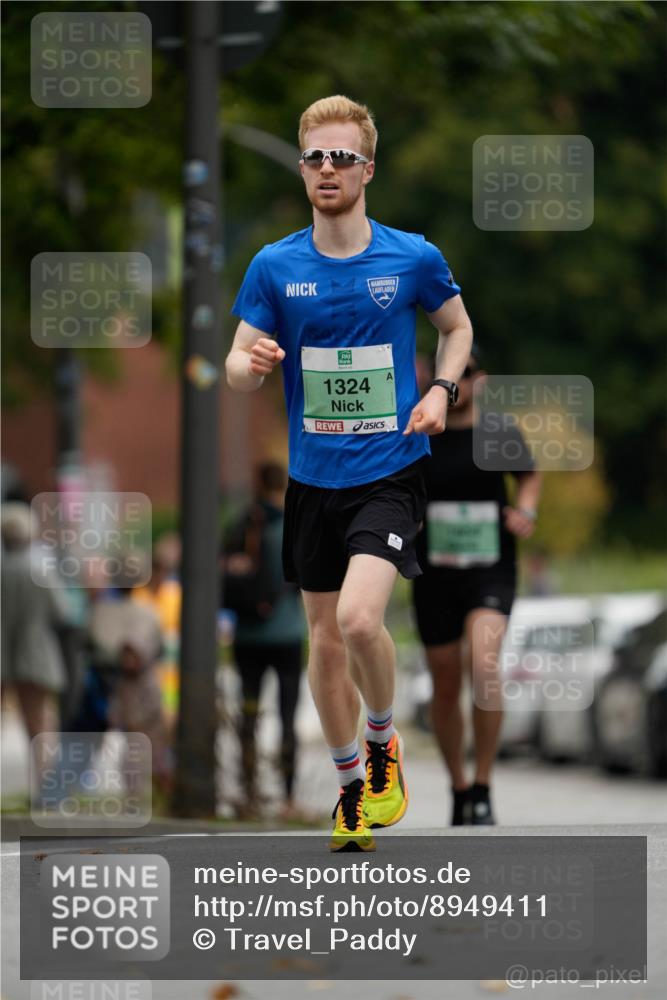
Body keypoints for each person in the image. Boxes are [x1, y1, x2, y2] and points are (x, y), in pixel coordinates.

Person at [225, 95, 473, 851]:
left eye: (342, 157)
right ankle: (350, 793)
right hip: (312, 480)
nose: (326, 168)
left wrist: (441, 391)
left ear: (368, 169)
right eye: (314, 156)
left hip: (388, 471)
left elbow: (456, 327)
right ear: (302, 168)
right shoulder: (274, 265)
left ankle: (381, 741)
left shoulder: (411, 257)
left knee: (360, 621)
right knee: (325, 644)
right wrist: (251, 362)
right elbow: (234, 363)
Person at [412, 346, 542, 825]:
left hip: (490, 569)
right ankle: (459, 787)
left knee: (484, 664)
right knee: (446, 684)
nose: (454, 383)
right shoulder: (421, 432)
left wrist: (525, 510)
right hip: (434, 575)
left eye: (463, 374)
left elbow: (529, 477)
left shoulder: (499, 432)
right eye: (445, 374)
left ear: (479, 380)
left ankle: (484, 785)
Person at [224, 461, 307, 820]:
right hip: (287, 633)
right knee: (288, 717)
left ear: (257, 483)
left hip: (247, 636)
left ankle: (248, 791)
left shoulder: (242, 523)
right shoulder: (294, 524)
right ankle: (288, 796)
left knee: (248, 713)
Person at [1, 502, 69, 801]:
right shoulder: (40, 572)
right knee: (40, 725)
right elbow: (63, 612)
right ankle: (45, 791)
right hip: (35, 655)